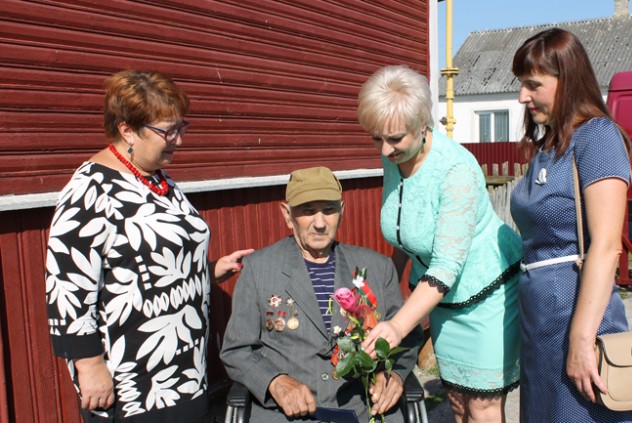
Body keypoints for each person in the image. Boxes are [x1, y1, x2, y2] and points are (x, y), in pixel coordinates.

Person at [44, 70, 253, 422]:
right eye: (166, 131)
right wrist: (89, 364)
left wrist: (209, 270)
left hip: (184, 369)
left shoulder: (157, 178)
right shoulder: (91, 191)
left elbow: (150, 262)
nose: (178, 140)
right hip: (134, 381)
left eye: (180, 127)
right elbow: (66, 285)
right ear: (127, 129)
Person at [357, 65, 523, 423]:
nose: (385, 150)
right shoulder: (396, 156)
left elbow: (447, 265)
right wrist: (387, 294)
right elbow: (406, 233)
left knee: (482, 405)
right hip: (440, 296)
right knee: (457, 401)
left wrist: (398, 327)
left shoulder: (456, 170)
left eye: (395, 138)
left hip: (485, 291)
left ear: (423, 125)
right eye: (376, 139)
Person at [220, 166, 423, 422]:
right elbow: (236, 350)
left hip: (361, 409)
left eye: (329, 210)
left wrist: (394, 375)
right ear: (287, 214)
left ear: (342, 210)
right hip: (286, 414)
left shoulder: (376, 268)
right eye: (307, 211)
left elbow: (407, 336)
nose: (319, 223)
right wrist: (274, 381)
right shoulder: (259, 269)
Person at [509, 28, 632, 422]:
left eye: (533, 85)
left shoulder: (597, 137)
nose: (522, 97)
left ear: (568, 80)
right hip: (542, 323)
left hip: (576, 317)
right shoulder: (551, 145)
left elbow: (606, 245)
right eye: (521, 85)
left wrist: (582, 341)